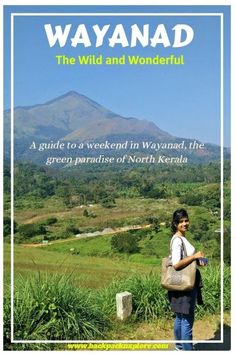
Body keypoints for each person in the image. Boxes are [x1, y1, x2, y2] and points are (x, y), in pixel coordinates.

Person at [168, 208, 207, 351]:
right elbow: (177, 264)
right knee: (187, 320)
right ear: (175, 223)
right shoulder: (178, 240)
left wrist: (198, 261)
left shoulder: (180, 238)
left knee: (180, 317)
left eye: (186, 220)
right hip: (185, 285)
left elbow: (183, 260)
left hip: (179, 283)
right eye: (181, 221)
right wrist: (195, 256)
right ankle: (187, 350)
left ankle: (179, 347)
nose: (185, 223)